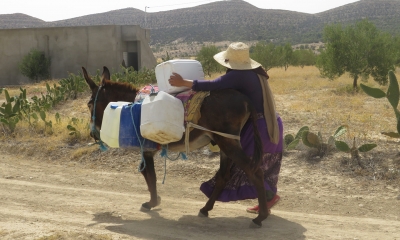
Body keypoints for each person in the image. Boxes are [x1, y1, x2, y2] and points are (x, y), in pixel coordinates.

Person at [168, 42, 283, 214]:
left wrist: (182, 82)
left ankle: (266, 203)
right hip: (270, 123)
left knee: (249, 166)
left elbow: (213, 85)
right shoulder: (253, 73)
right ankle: (266, 200)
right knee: (263, 167)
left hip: (257, 127)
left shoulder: (239, 75)